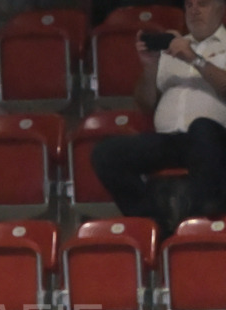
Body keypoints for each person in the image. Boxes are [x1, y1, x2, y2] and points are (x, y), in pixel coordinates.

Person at [91, 0, 226, 236]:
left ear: (221, 8)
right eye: (189, 5)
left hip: (214, 139)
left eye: (202, 4)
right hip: (169, 139)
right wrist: (150, 67)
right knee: (106, 153)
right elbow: (146, 104)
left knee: (202, 126)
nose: (194, 10)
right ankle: (154, 224)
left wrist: (194, 59)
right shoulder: (172, 49)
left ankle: (201, 219)